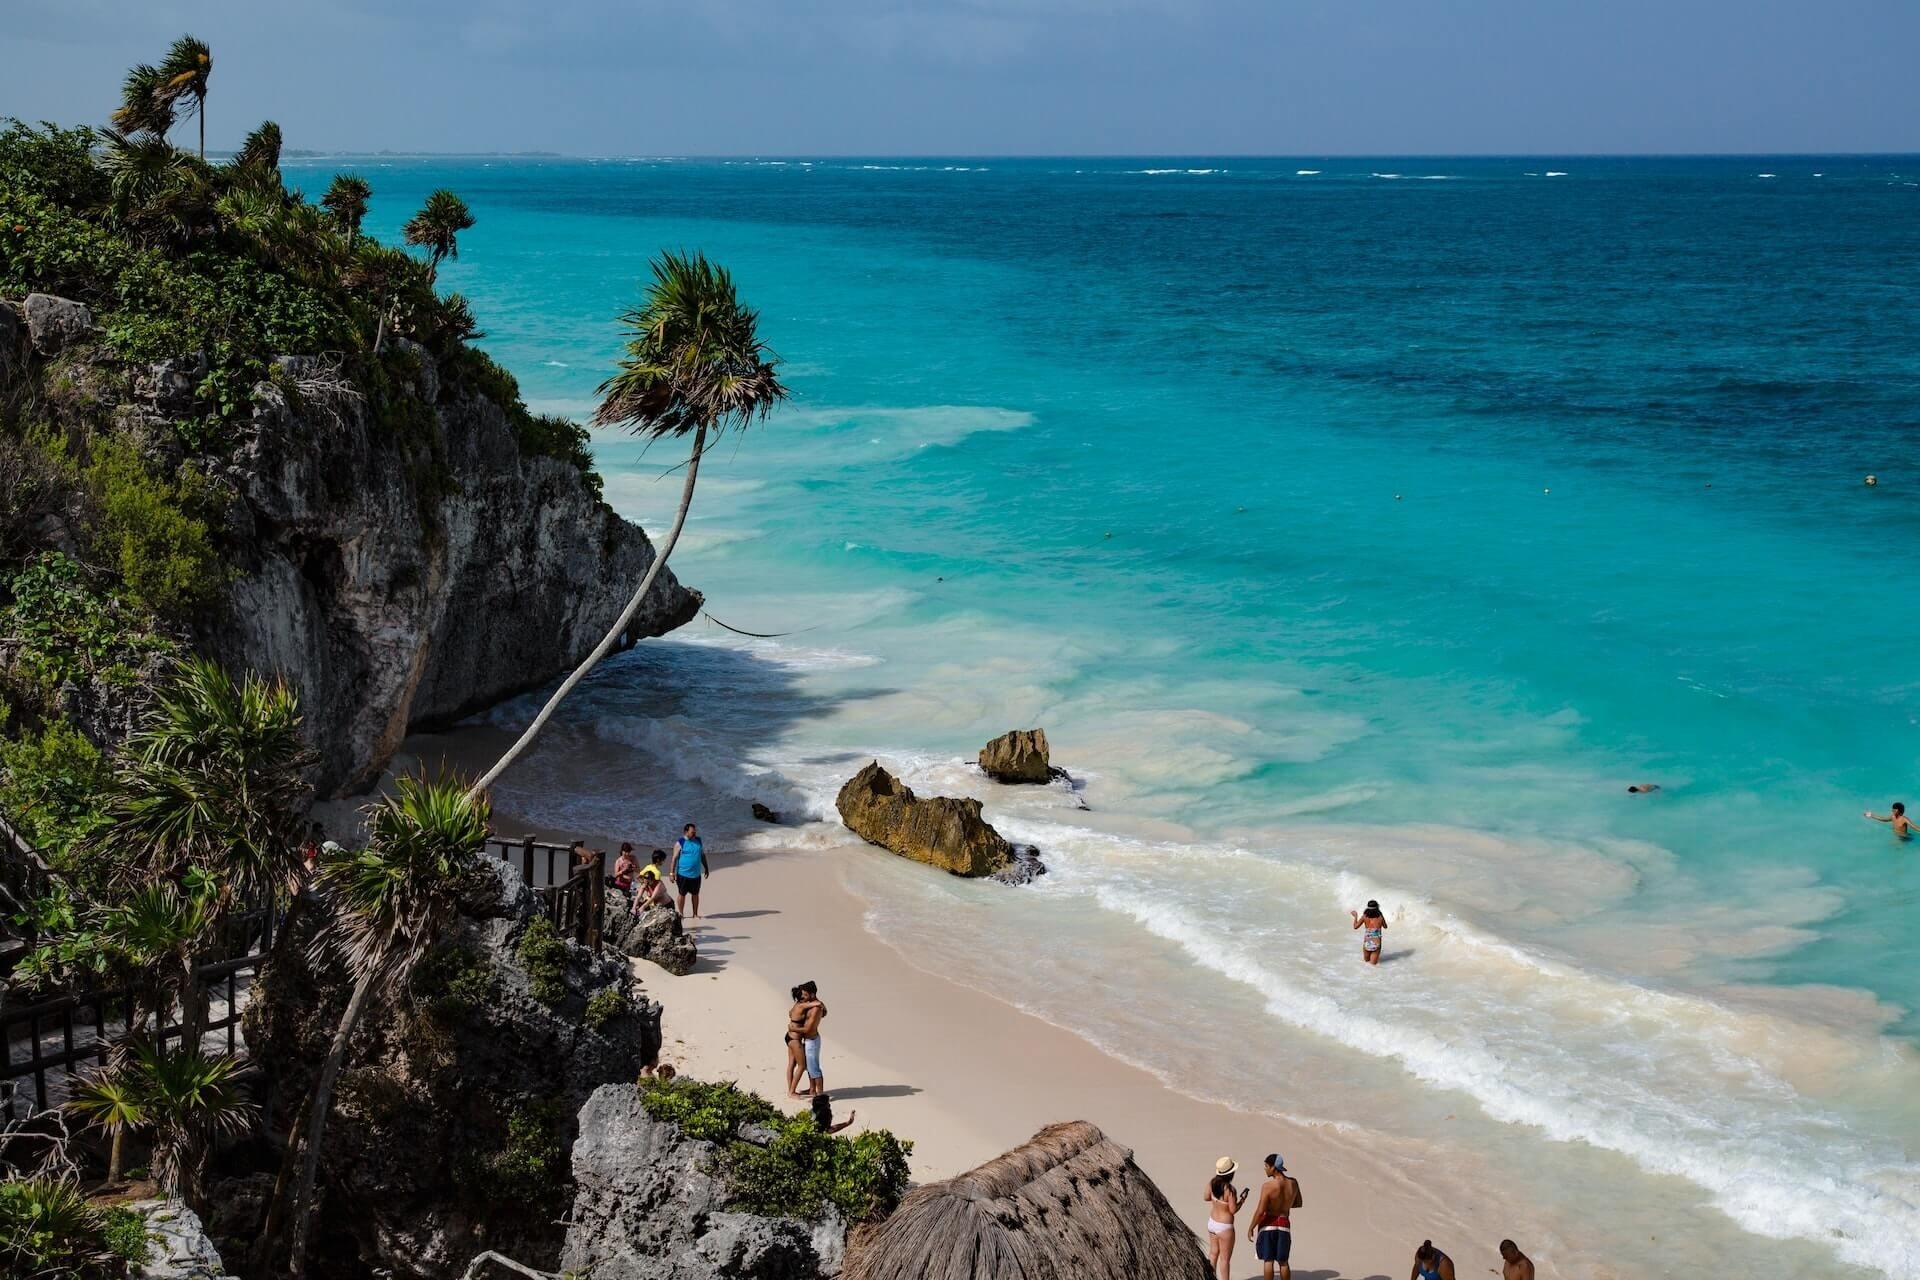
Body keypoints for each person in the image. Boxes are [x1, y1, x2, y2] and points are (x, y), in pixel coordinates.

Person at [1247, 1153, 1300, 1280]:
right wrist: (1284, 1204)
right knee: (1283, 1261)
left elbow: (1260, 1211)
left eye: (1266, 1166)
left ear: (1273, 1168)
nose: (1264, 1168)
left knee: (1268, 1260)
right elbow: (1298, 1203)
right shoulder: (1293, 1183)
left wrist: (1251, 1227)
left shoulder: (1268, 1186)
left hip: (1268, 1225)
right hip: (1284, 1224)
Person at [1203, 1156, 1248, 1280]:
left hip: (1212, 1223)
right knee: (1225, 1259)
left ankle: (1210, 1278)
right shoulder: (1230, 1190)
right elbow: (1233, 1211)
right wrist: (1242, 1201)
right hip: (1224, 1227)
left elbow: (1206, 1197)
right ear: (1230, 1174)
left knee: (1213, 1254)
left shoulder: (1211, 1183)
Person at [795, 980, 827, 1097]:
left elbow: (808, 1029)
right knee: (810, 1067)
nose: (803, 997)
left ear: (812, 994)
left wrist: (793, 1029)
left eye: (805, 994)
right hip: (810, 1040)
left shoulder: (815, 1009)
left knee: (814, 1069)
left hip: (812, 1041)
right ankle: (812, 1090)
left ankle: (820, 1095)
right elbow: (826, 1012)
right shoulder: (816, 1004)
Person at [673, 823, 710, 919]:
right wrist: (671, 873)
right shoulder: (680, 842)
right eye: (692, 832)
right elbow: (674, 858)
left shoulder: (698, 840)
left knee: (695, 894)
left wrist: (706, 867)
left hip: (696, 875)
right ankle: (681, 913)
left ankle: (695, 914)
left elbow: (702, 855)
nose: (694, 834)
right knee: (682, 894)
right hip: (683, 875)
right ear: (686, 832)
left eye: (695, 832)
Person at [784, 985, 812, 1098]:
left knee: (791, 1064)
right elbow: (817, 1004)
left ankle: (790, 1089)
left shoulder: (796, 1005)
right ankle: (791, 1092)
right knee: (802, 1065)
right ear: (800, 996)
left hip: (789, 1037)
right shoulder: (802, 1005)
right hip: (795, 1039)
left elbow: (790, 1013)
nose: (806, 997)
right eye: (804, 995)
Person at [1350, 900, 1388, 965]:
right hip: (1377, 943)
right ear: (1377, 908)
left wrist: (1356, 916)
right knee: (1372, 966)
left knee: (1366, 964)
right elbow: (1385, 926)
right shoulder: (1380, 917)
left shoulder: (1364, 916)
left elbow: (1355, 927)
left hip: (1367, 943)